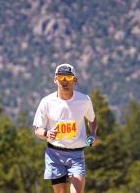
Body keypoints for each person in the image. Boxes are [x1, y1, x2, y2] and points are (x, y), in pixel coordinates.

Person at [33, 63, 97, 193]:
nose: (64, 81)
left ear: (75, 80)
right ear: (55, 80)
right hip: (54, 155)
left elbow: (92, 119)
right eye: (60, 77)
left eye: (68, 77)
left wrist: (92, 133)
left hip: (76, 155)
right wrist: (46, 134)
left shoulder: (84, 100)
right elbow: (37, 130)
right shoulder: (46, 102)